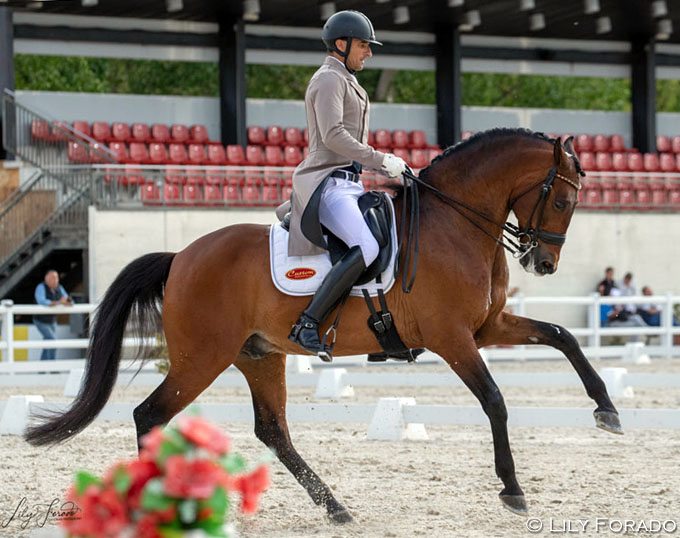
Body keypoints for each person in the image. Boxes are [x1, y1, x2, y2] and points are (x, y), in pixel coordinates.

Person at [276, 10, 408, 359]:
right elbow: (334, 136)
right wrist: (381, 159)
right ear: (341, 43)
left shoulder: (347, 80)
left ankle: (382, 331)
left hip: (350, 183)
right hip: (328, 183)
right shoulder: (329, 79)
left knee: (391, 236)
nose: (369, 52)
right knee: (365, 247)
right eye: (364, 45)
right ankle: (307, 323)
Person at [34, 269, 72, 360]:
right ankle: (52, 367)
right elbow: (42, 301)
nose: (55, 280)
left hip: (52, 321)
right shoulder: (41, 287)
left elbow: (68, 299)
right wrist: (59, 302)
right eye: (52, 278)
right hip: (41, 320)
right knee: (52, 341)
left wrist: (67, 302)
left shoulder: (59, 288)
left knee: (48, 343)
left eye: (56, 278)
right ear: (46, 279)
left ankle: (43, 369)